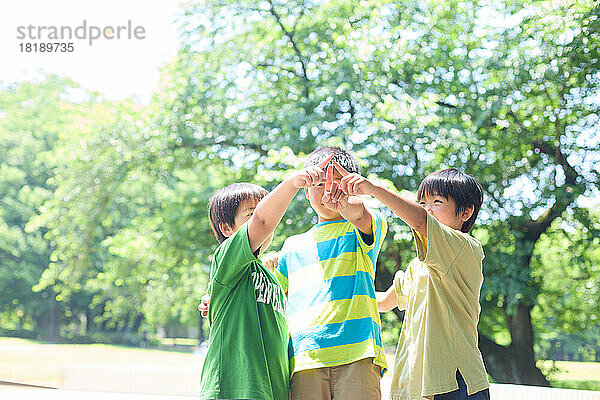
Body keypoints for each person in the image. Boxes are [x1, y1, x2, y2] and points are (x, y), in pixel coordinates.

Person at [331, 165, 490, 400]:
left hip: (456, 381)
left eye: (437, 201)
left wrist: (374, 189)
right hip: (418, 384)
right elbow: (384, 301)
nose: (426, 209)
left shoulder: (465, 247)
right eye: (422, 202)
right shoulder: (419, 265)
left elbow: (420, 222)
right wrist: (337, 295)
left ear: (465, 212)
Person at [199, 154, 335, 400]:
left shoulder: (271, 276)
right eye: (250, 214)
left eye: (266, 207)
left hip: (272, 391)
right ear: (227, 228)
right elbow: (263, 221)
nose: (264, 217)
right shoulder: (226, 258)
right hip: (233, 387)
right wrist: (293, 183)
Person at [274, 146, 388, 400]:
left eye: (338, 183)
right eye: (320, 183)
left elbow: (359, 213)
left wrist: (346, 202)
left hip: (358, 354)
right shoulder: (291, 246)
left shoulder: (365, 227)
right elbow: (273, 298)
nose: (329, 190)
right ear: (305, 190)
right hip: (305, 358)